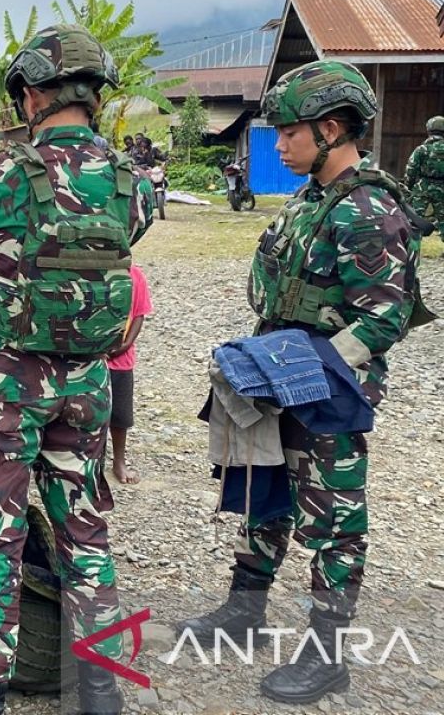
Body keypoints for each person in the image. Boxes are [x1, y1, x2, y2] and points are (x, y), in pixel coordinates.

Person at [0, 23, 152, 715]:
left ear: (33, 91)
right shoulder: (133, 182)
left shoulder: (3, 174)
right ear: (94, 92)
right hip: (89, 383)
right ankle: (100, 691)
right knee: (85, 528)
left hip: (7, 379)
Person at [176, 60, 426, 705]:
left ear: (332, 129)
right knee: (262, 493)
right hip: (278, 370)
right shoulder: (314, 199)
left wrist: (309, 373)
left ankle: (327, 652)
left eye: (289, 133)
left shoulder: (371, 208)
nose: (279, 144)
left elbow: (385, 316)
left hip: (328, 391)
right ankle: (245, 613)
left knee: (334, 517)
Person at [106, 264, 153, 485]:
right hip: (90, 359)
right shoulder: (94, 272)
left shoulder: (135, 275)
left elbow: (139, 314)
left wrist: (126, 344)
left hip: (120, 360)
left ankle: (119, 461)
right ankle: (93, 462)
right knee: (89, 415)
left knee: (121, 415)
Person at [405, 115, 444, 238]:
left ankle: (414, 248)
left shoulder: (422, 149)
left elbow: (411, 170)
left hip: (423, 187)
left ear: (429, 130)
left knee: (415, 219)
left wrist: (408, 188)